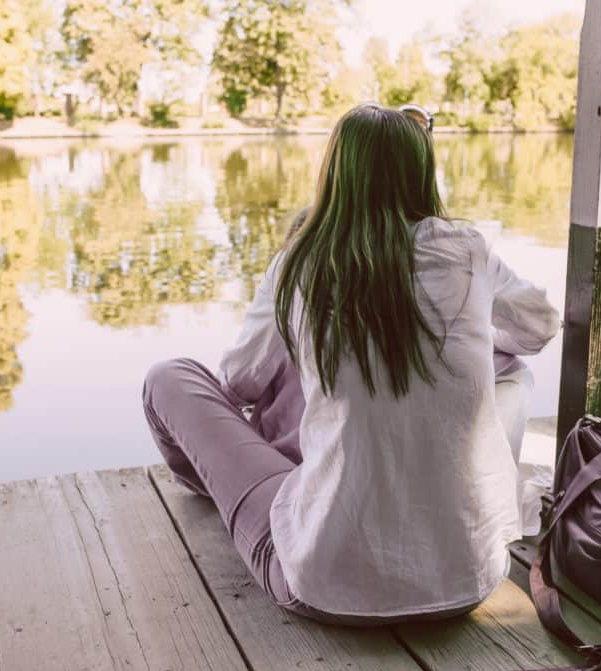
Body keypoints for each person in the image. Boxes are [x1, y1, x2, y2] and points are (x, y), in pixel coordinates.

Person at [142, 103, 560, 625]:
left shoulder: (301, 263)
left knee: (169, 378)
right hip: (467, 582)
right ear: (421, 173)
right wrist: (467, 334)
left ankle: (225, 493)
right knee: (512, 368)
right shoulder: (468, 252)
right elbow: (540, 327)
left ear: (335, 172)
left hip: (324, 589)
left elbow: (240, 384)